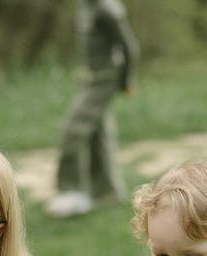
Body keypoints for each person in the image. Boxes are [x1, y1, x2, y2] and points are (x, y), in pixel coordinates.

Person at [46, 0, 139, 218]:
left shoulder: (107, 9)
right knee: (98, 132)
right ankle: (106, 191)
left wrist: (126, 80)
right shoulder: (84, 5)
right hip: (91, 77)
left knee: (73, 131)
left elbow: (129, 46)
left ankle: (71, 192)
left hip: (105, 78)